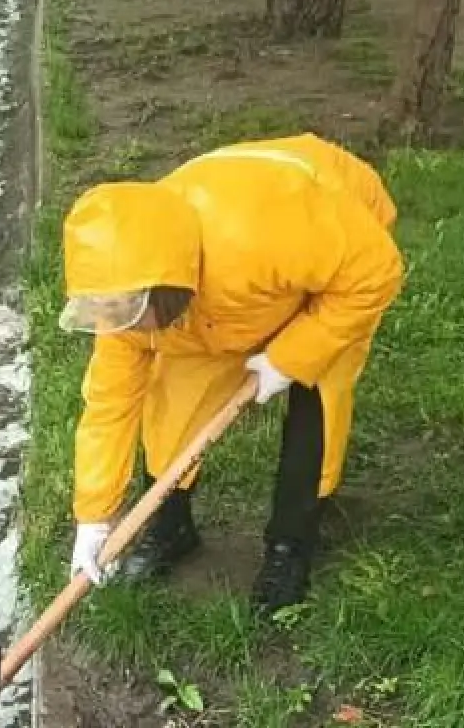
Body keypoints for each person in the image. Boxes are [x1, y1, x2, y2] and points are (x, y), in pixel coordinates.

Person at [58, 132, 404, 615]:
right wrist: (95, 517)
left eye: (128, 313)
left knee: (319, 397)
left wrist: (292, 357)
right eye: (106, 312)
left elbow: (374, 272)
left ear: (167, 287)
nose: (118, 327)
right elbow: (109, 409)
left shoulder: (267, 233)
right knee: (172, 409)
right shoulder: (126, 293)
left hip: (335, 246)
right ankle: (170, 524)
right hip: (225, 301)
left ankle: (291, 544)